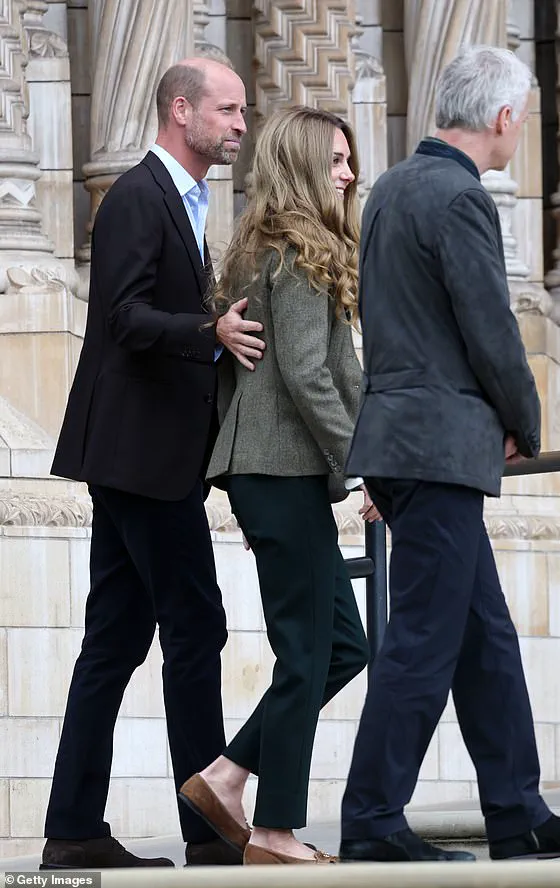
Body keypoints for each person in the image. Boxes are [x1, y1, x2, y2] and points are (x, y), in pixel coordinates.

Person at [338, 45, 560, 864]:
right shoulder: (460, 197)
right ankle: (372, 820)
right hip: (438, 448)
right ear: (502, 118)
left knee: (483, 636)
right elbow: (491, 329)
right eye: (522, 121)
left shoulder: (390, 189)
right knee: (424, 640)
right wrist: (525, 422)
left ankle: (517, 811)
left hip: (401, 442)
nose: (519, 133)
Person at [41, 57, 266, 870]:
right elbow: (126, 317)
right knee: (196, 626)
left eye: (242, 111)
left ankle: (73, 830)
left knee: (114, 641)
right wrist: (212, 331)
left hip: (141, 458)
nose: (240, 124)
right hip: (140, 459)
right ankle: (208, 832)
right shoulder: (139, 196)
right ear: (181, 109)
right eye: (228, 110)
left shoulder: (185, 199)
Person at [178, 106, 375, 865]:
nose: (349, 174)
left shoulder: (272, 248)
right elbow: (309, 373)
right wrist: (364, 462)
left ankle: (227, 777)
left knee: (343, 647)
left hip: (273, 472)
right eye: (335, 161)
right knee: (307, 653)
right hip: (279, 471)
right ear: (300, 166)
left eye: (349, 161)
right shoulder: (295, 251)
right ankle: (273, 830)